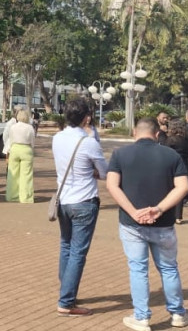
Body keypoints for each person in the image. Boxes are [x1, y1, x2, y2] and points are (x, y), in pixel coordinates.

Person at [106, 117, 188, 331]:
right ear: (157, 134)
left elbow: (112, 186)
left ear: (134, 132)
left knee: (138, 269)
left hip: (131, 223)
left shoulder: (119, 154)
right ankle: (178, 313)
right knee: (169, 268)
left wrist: (133, 211)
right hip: (163, 223)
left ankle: (142, 317)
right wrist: (159, 208)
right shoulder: (171, 155)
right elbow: (182, 187)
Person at [52, 98, 109, 317]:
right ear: (86, 118)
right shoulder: (88, 142)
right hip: (84, 202)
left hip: (64, 200)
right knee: (77, 252)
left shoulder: (57, 138)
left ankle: (67, 290)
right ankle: (66, 301)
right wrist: (92, 171)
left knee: (66, 246)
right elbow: (104, 172)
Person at [164, 118, 188, 224]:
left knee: (168, 189)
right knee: (179, 191)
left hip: (171, 165)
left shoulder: (171, 140)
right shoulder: (187, 138)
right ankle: (178, 216)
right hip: (184, 164)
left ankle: (168, 212)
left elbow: (165, 151)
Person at [6, 109, 35, 203]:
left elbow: (10, 140)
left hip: (14, 149)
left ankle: (12, 196)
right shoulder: (30, 127)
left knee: (12, 174)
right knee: (26, 175)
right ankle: (26, 198)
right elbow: (32, 141)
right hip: (26, 149)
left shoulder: (13, 127)